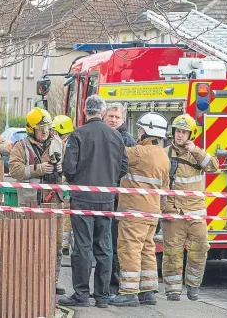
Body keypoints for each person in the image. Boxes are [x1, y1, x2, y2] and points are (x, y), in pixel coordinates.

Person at [58, 95, 128, 308]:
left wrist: (77, 180)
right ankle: (102, 296)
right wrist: (109, 180)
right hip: (107, 198)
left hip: (82, 198)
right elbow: (124, 166)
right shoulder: (116, 136)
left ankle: (81, 294)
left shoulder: (78, 134)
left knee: (82, 247)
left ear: (85, 111)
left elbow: (68, 167)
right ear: (103, 112)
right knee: (104, 247)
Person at [110, 112, 170, 307]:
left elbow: (115, 152)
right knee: (146, 250)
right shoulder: (163, 156)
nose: (138, 133)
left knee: (130, 249)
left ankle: (128, 292)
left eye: (141, 129)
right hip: (152, 212)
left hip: (134, 210)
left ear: (147, 132)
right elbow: (165, 188)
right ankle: (148, 291)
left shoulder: (138, 152)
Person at [8, 107, 66, 295]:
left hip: (54, 200)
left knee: (56, 243)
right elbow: (15, 170)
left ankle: (52, 281)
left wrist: (60, 170)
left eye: (47, 128)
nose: (45, 132)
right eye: (41, 129)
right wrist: (38, 169)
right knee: (30, 243)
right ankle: (28, 280)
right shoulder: (21, 146)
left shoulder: (58, 142)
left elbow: (68, 169)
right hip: (31, 202)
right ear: (31, 129)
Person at [163, 114, 219, 301]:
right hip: (173, 211)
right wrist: (165, 209)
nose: (180, 135)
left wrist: (196, 150)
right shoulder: (164, 154)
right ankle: (172, 290)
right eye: (177, 131)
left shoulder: (197, 154)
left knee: (200, 248)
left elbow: (214, 167)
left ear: (190, 135)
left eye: (184, 132)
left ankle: (193, 287)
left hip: (195, 213)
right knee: (172, 252)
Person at [103, 103, 135, 296]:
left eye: (117, 117)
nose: (114, 120)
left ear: (123, 119)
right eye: (111, 116)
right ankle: (105, 286)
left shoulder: (127, 141)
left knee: (114, 244)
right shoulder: (103, 135)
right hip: (105, 198)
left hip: (119, 200)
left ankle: (113, 286)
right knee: (103, 244)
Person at [52, 115, 75, 255]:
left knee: (65, 213)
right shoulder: (72, 140)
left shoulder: (64, 143)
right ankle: (64, 243)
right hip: (68, 183)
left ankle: (64, 245)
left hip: (66, 183)